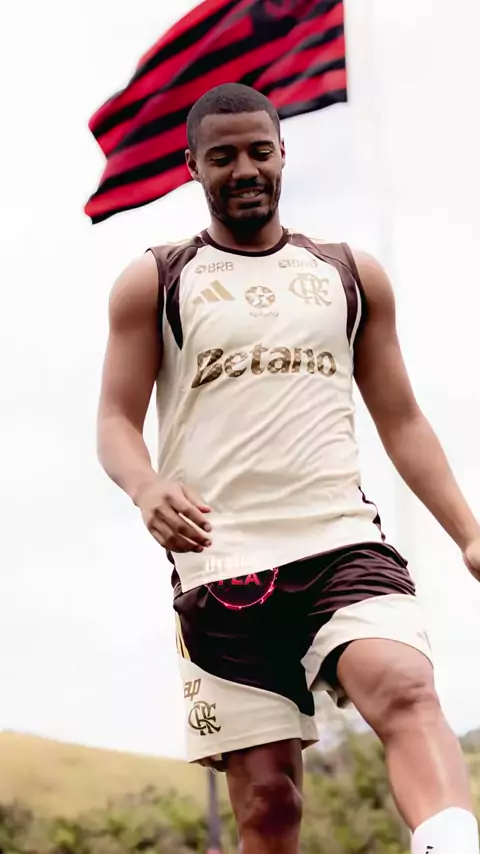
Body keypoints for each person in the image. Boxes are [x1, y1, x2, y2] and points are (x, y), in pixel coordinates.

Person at [96, 83, 480, 854]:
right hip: (222, 564)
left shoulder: (349, 274)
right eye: (222, 157)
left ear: (282, 153)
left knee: (406, 690)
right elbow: (113, 420)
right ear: (193, 166)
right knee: (270, 804)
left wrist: (469, 535)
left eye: (258, 151)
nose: (244, 169)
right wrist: (147, 487)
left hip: (341, 542)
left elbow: (402, 419)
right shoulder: (157, 279)